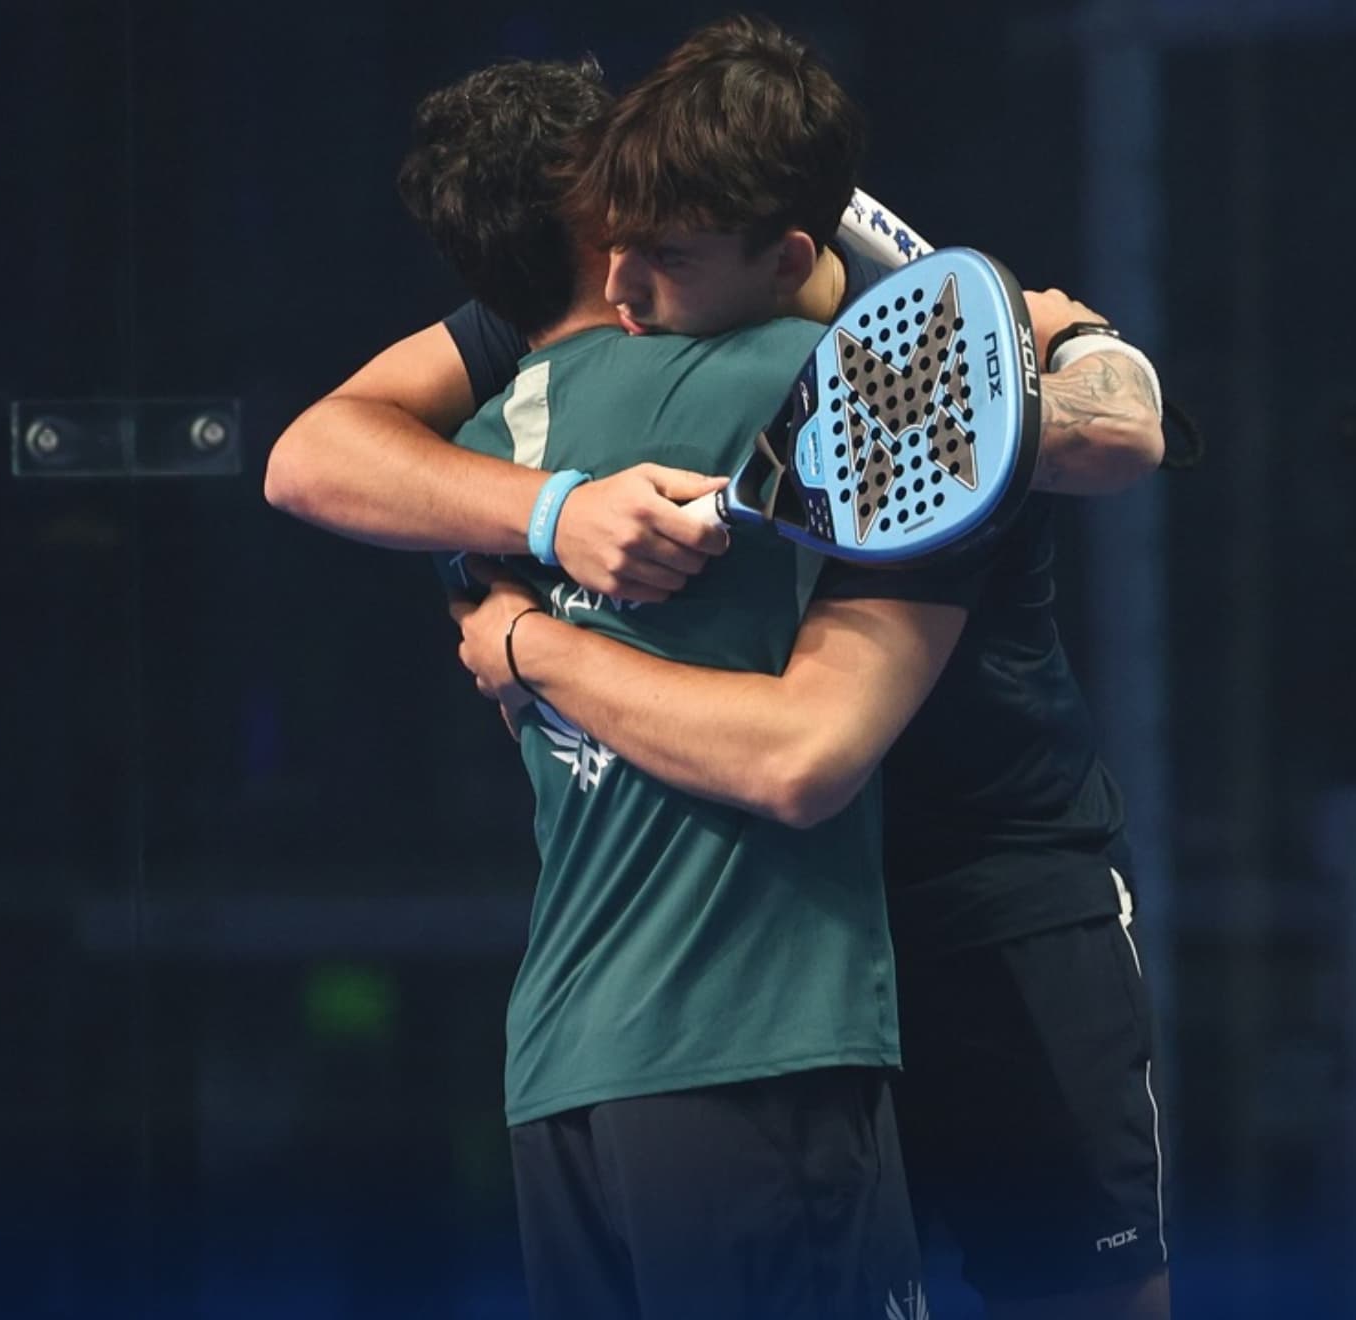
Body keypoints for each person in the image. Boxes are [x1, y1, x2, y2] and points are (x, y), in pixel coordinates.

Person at [267, 16, 1172, 1320]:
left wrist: (1071, 361)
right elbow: (311, 455)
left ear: (779, 254)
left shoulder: (893, 345)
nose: (621, 296)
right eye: (609, 253)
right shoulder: (589, 322)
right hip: (776, 951)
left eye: (658, 257)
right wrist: (556, 515)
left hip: (986, 882)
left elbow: (1117, 437)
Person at [376, 56, 929, 1320]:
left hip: (564, 1076)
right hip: (756, 1044)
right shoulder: (800, 372)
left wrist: (530, 637)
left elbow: (312, 459)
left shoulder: (466, 455)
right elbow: (1018, 410)